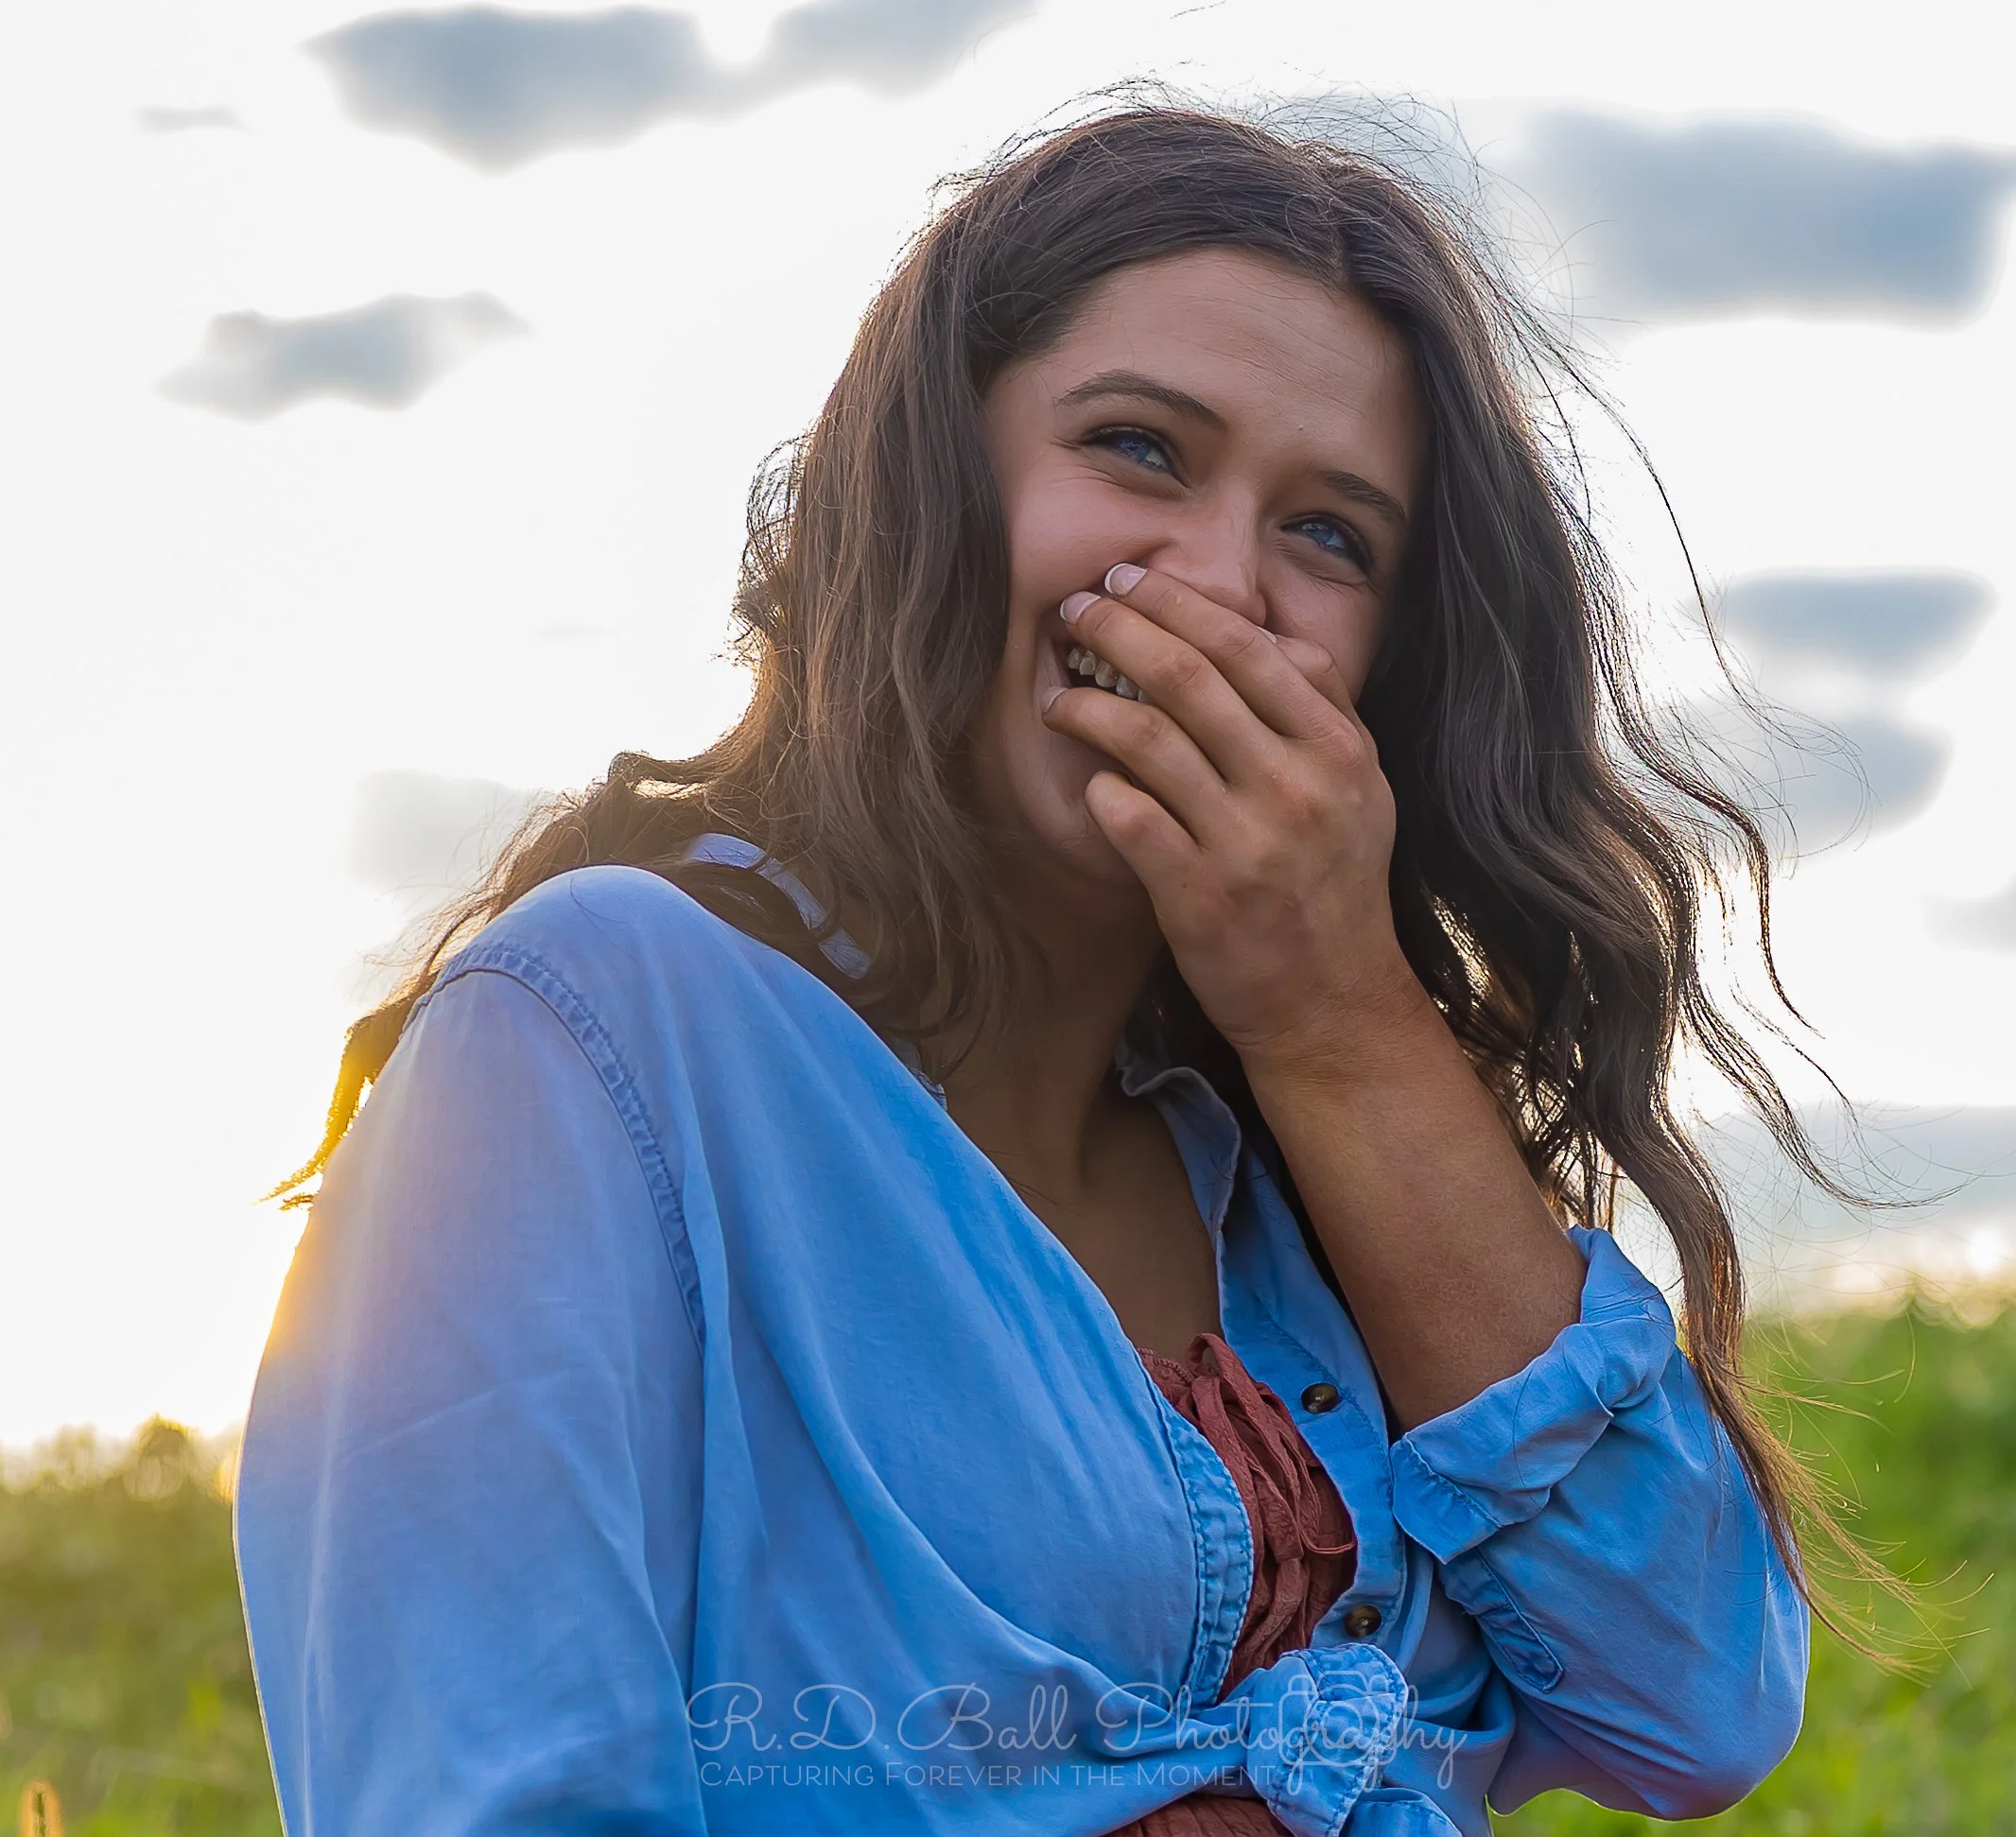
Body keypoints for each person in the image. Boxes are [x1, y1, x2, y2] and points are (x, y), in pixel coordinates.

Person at [235, 103, 1861, 1837]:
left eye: (1331, 538)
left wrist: (1340, 1021)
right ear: (943, 481)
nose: (1221, 583)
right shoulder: (597, 1032)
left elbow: (1695, 1701)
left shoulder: (1312, 1175)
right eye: (1141, 450)